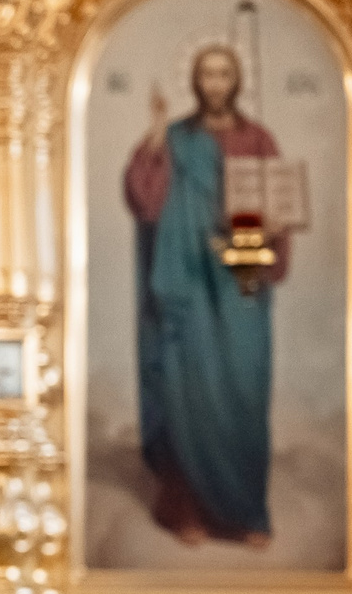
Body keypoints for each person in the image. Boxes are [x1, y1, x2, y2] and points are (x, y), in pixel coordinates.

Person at [124, 44, 292, 548]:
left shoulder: (257, 139)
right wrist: (155, 133)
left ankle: (245, 513)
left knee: (243, 386)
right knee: (186, 385)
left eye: (223, 74)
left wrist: (278, 224)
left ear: (235, 81)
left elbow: (278, 198)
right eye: (206, 75)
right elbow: (145, 199)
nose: (215, 83)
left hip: (237, 276)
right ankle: (186, 510)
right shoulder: (175, 138)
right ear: (195, 83)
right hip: (187, 278)